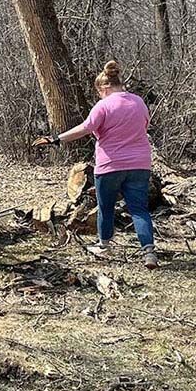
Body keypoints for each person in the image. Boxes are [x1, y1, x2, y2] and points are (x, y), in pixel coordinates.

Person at [35, 60, 159, 269]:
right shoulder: (138, 102)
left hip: (110, 164)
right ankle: (149, 252)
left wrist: (56, 138)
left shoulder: (104, 105)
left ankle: (104, 245)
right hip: (140, 163)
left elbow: (85, 128)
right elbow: (145, 125)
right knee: (139, 209)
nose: (99, 96)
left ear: (104, 87)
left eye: (99, 92)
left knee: (106, 207)